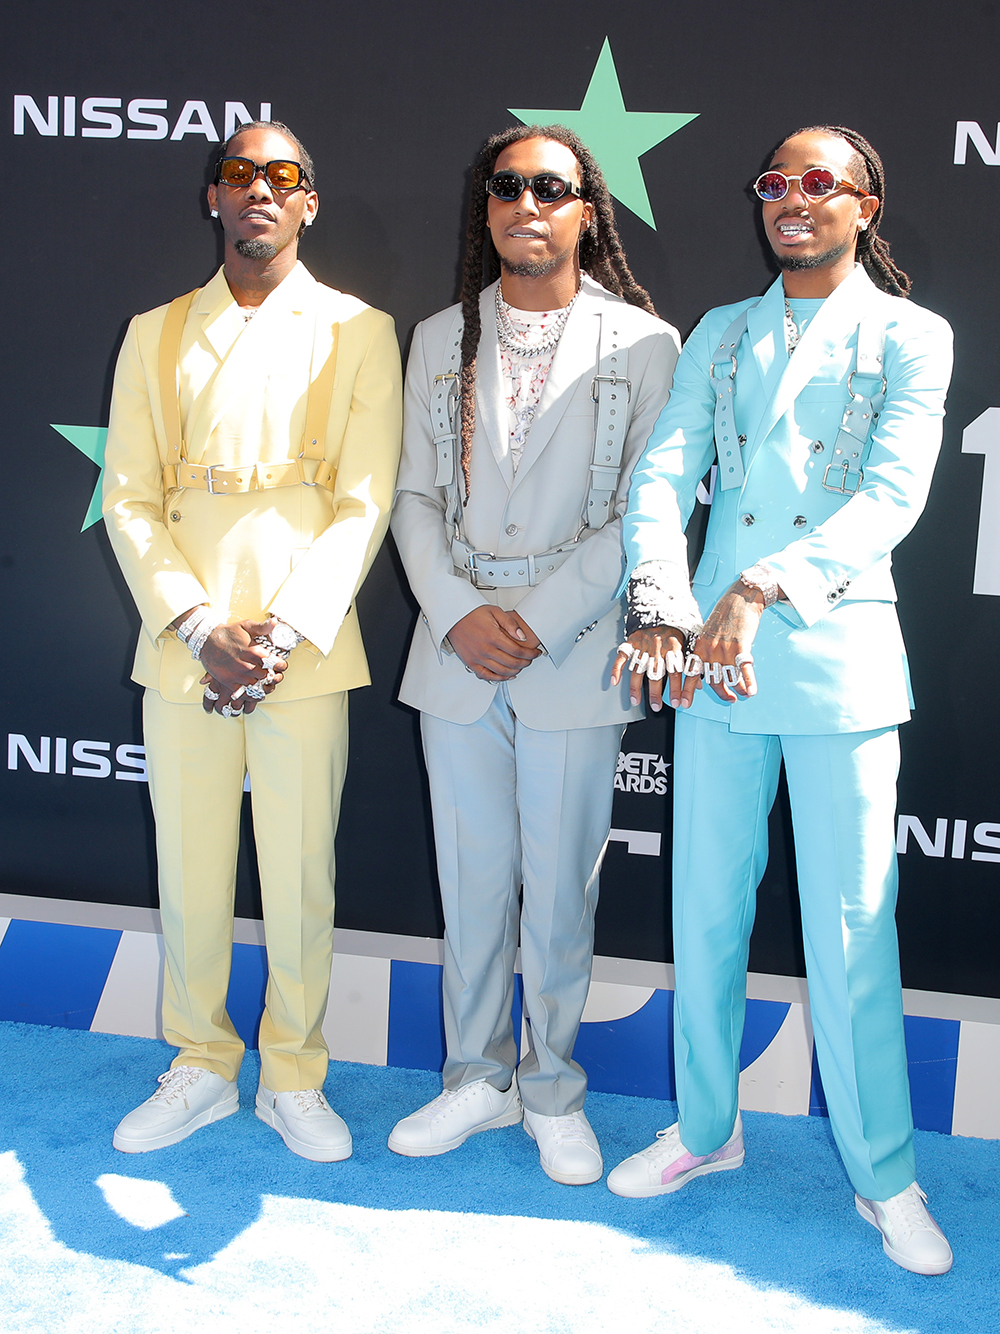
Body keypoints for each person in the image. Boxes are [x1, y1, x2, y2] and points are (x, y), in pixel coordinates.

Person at [608, 125, 954, 1275]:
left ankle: (883, 1174)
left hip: (834, 662)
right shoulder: (720, 332)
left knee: (851, 932)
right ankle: (705, 1131)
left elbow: (894, 493)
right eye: (775, 183)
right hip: (712, 661)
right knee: (703, 909)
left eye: (819, 183)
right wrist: (662, 590)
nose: (791, 199)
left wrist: (766, 580)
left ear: (865, 204)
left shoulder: (912, 334)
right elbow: (663, 473)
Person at [388, 125, 693, 1185]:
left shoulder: (646, 344)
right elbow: (413, 495)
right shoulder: (436, 336)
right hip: (455, 654)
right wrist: (456, 608)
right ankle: (474, 1076)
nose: (527, 203)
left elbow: (645, 512)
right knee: (470, 883)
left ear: (583, 209)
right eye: (506, 186)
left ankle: (551, 1082)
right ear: (485, 210)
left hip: (570, 657)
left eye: (549, 187)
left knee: (561, 890)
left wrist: (545, 613)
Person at [103, 120, 402, 1162]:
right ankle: (198, 1062)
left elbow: (364, 500)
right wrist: (195, 621)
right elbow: (130, 498)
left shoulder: (360, 330)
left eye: (282, 177)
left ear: (308, 202)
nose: (259, 191)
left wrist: (276, 632)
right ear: (212, 199)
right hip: (184, 640)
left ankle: (293, 1072)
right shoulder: (156, 330)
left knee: (298, 874)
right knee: (187, 869)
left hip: (304, 645)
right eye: (239, 175)